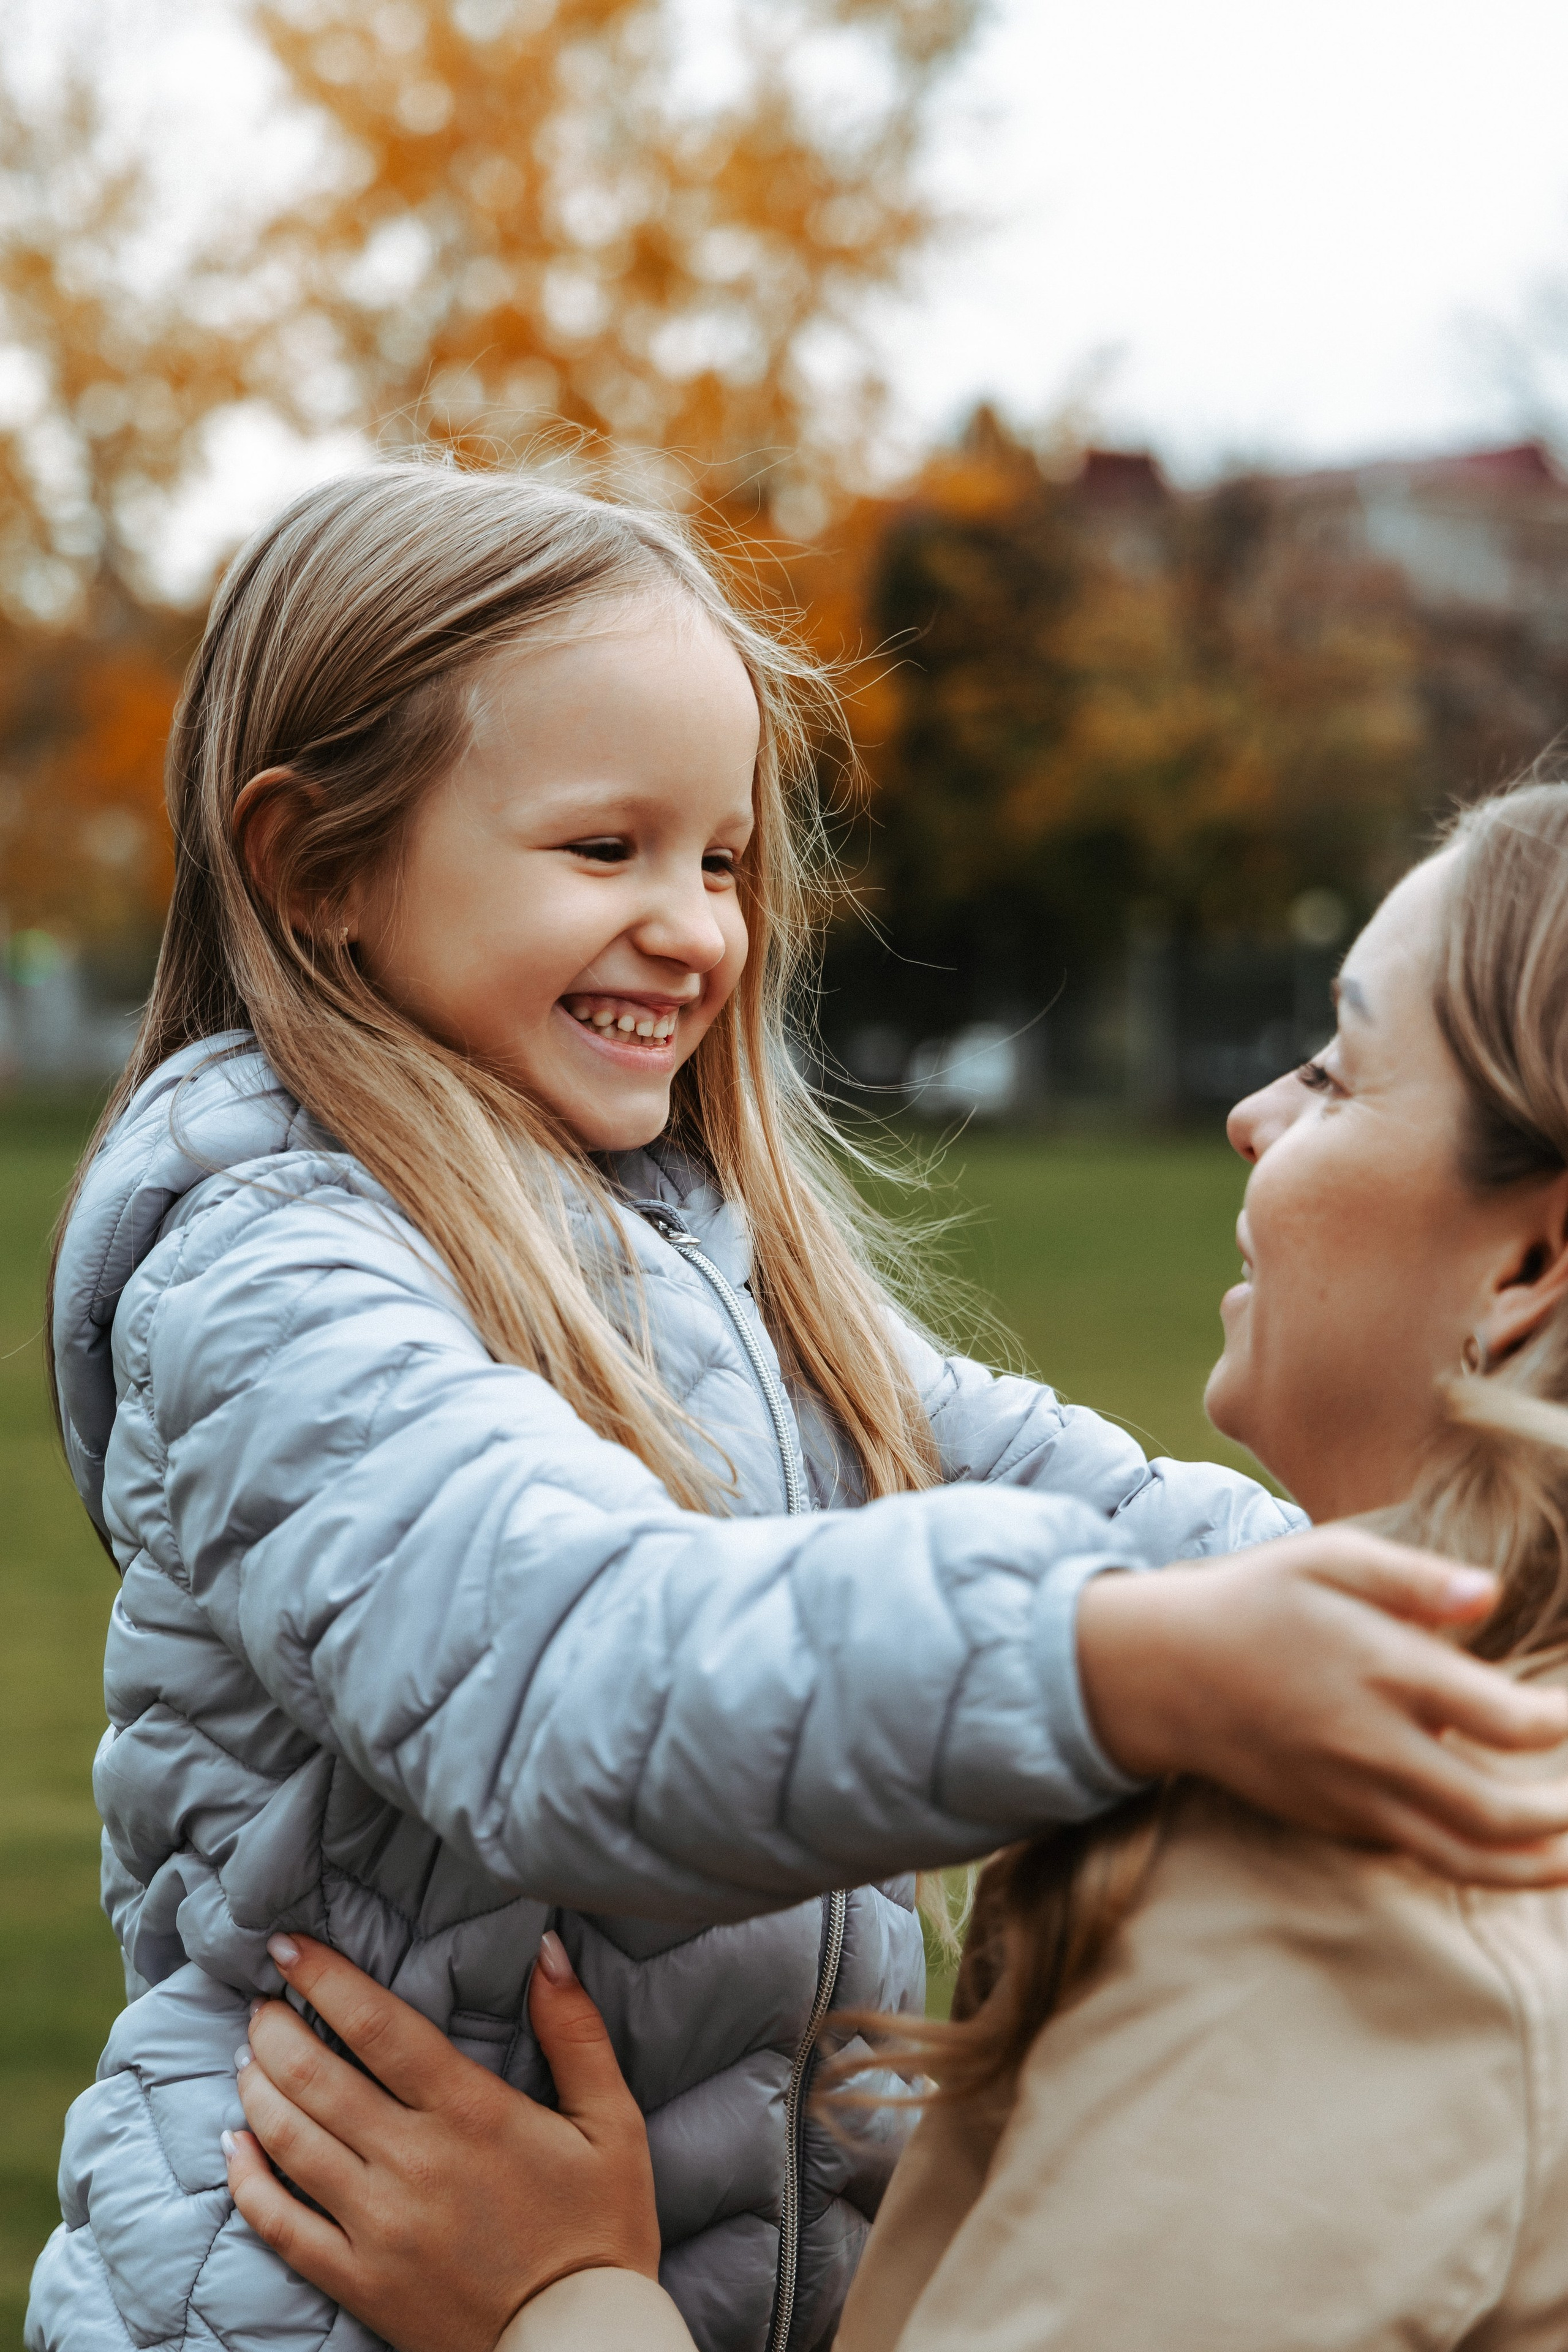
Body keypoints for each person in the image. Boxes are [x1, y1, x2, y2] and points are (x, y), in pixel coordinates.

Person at [26, 464, 1568, 2352]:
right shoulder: (276, 1276)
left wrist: (1462, 1613)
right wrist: (1126, 1663)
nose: (694, 926)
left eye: (725, 858)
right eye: (607, 851)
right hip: (329, 2265)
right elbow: (567, 1672)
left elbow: (1025, 1472)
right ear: (314, 866)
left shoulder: (686, 1248)